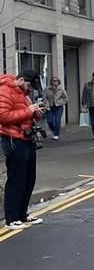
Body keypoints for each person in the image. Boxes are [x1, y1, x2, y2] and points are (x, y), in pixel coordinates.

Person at [0, 69, 46, 228]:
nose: (29, 89)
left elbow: (27, 113)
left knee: (28, 179)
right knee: (16, 179)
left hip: (26, 138)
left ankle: (22, 214)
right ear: (20, 80)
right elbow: (3, 116)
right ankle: (11, 218)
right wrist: (28, 110)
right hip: (13, 139)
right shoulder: (4, 90)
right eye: (28, 85)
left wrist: (36, 113)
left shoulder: (22, 93)